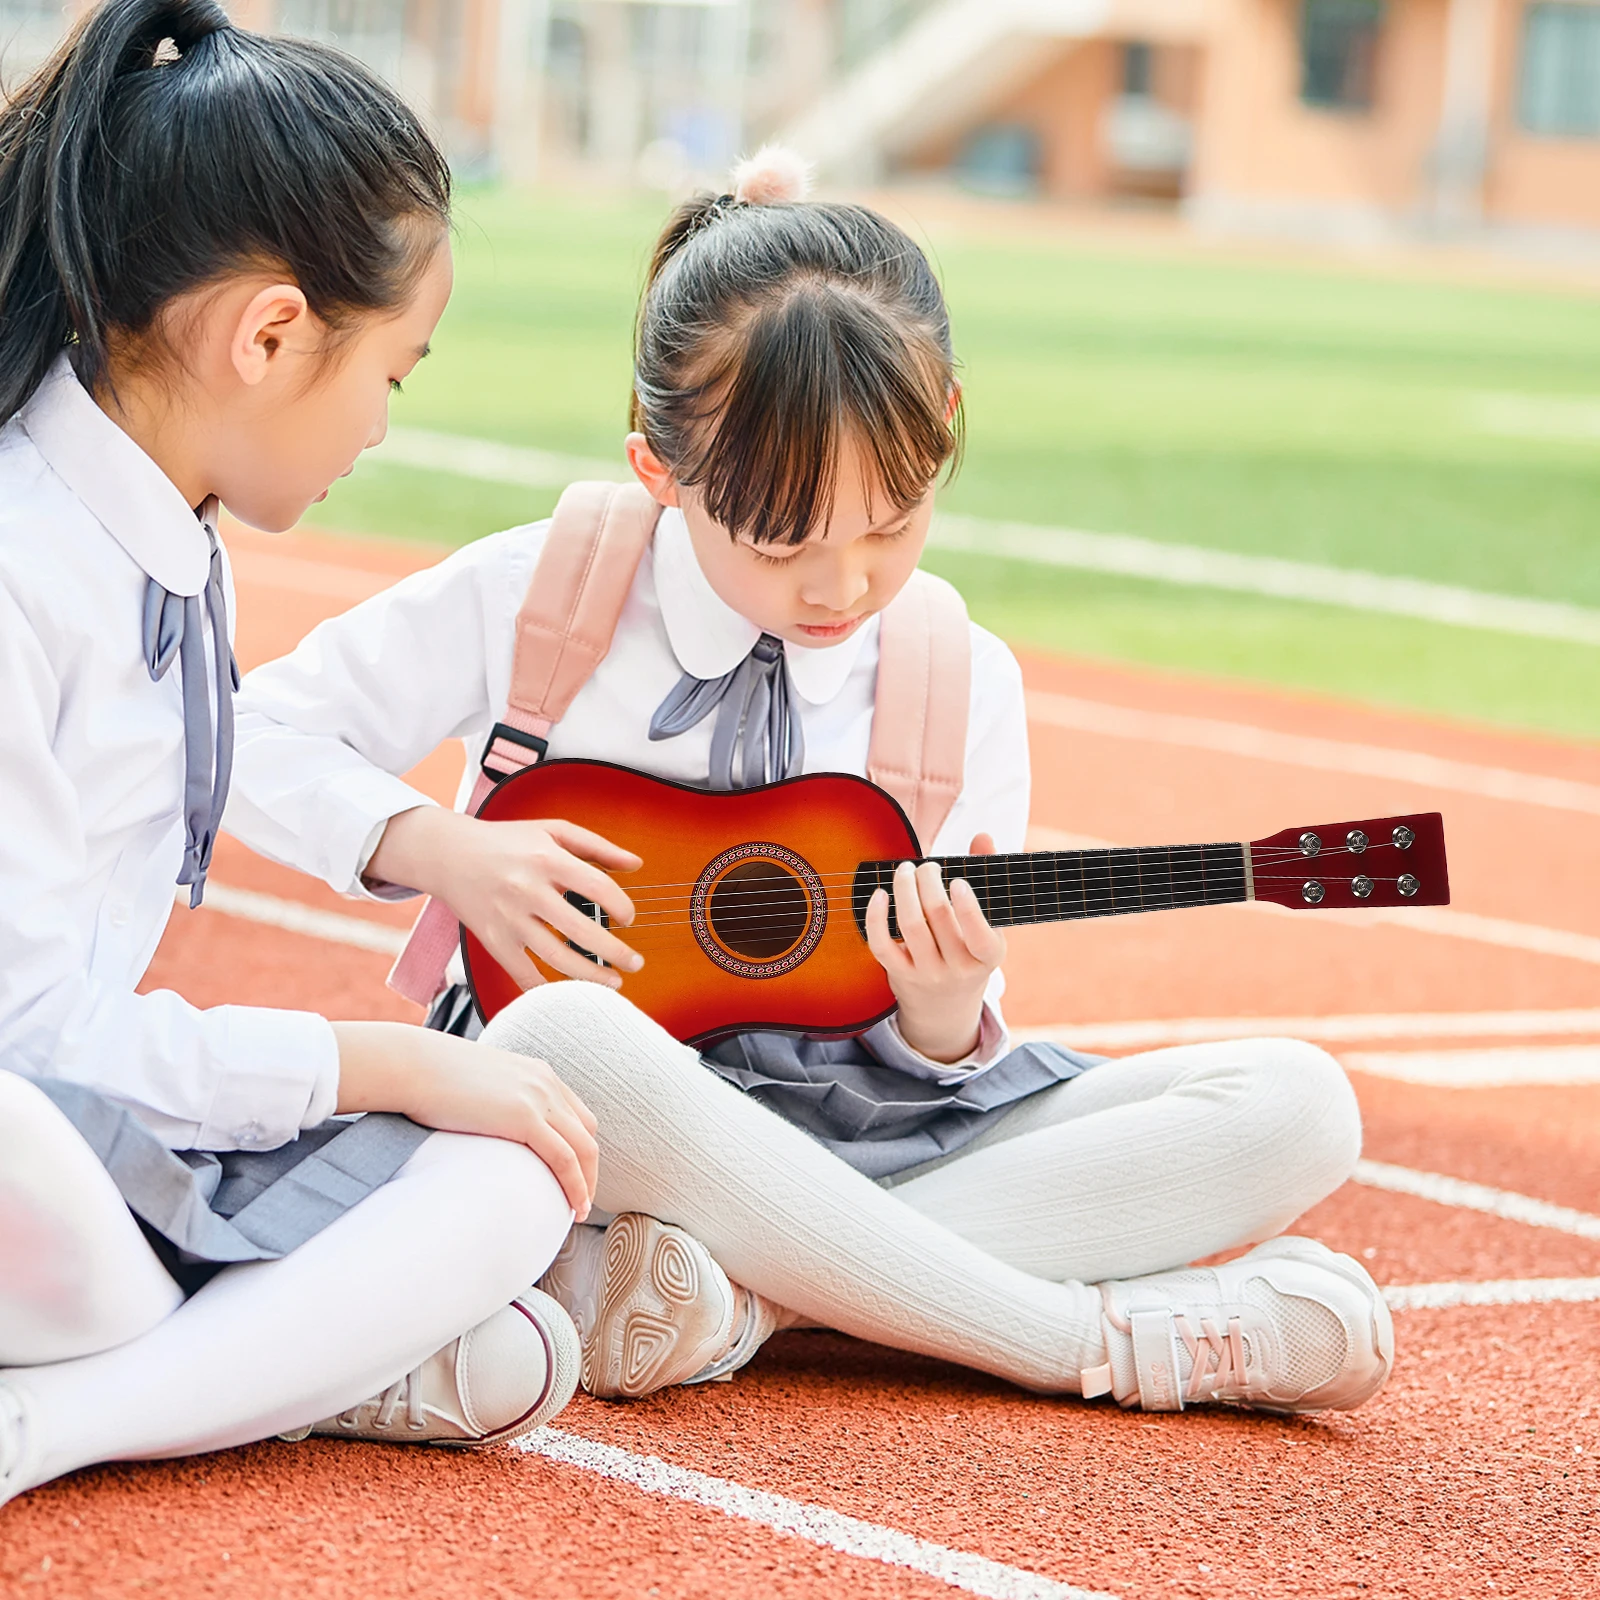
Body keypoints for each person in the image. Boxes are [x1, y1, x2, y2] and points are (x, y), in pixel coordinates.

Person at [227, 148, 1394, 1417]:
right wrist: (438, 849)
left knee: (1297, 1104)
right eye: (782, 544)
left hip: (873, 1120)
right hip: (619, 1120)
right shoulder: (542, 594)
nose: (840, 588)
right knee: (560, 1035)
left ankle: (746, 1303)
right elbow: (244, 736)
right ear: (659, 474)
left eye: (891, 526)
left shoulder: (956, 671)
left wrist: (945, 1004)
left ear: (942, 422)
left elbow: (944, 1043)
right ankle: (1082, 1340)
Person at [0, 0, 596, 1512]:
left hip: (73, 1151)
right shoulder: (21, 556)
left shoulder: (168, 541)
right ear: (269, 333)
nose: (384, 427)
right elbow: (20, 1042)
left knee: (513, 1175)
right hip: (21, 1133)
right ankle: (175, 1388)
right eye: (391, 372)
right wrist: (371, 1059)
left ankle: (128, 1392)